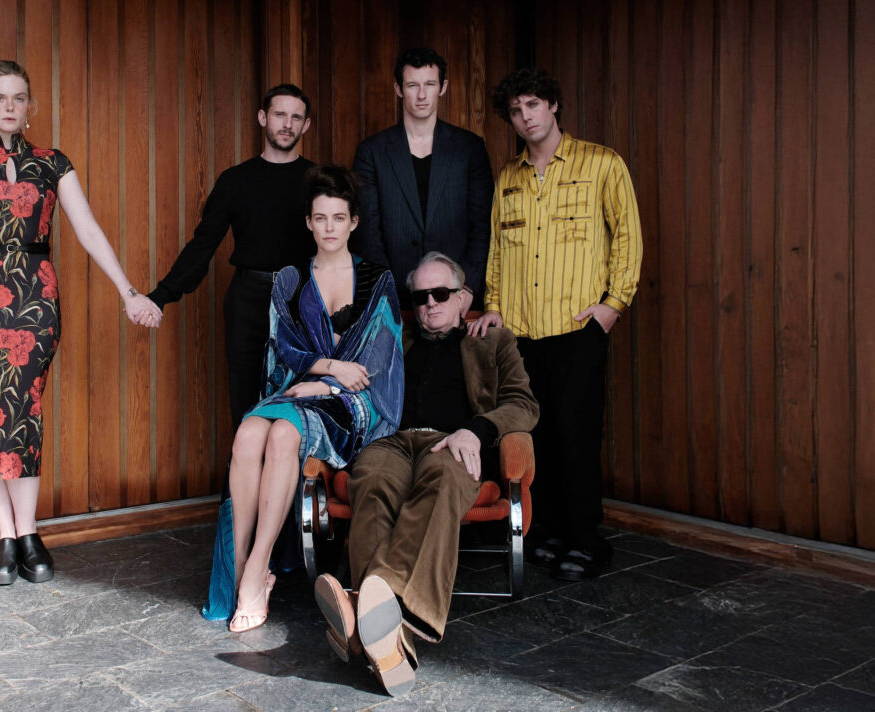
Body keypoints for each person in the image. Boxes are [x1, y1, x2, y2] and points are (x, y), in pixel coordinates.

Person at [0, 60, 161, 587]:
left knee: (25, 410)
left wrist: (129, 291)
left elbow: (88, 230)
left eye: (18, 98)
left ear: (29, 106)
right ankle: (5, 539)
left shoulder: (53, 163)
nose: (10, 106)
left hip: (36, 300)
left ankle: (30, 530)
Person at [314, 252, 538, 696]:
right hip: (393, 441)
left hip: (453, 441)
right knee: (371, 479)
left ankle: (365, 613)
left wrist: (476, 430)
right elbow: (351, 376)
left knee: (443, 479)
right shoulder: (393, 337)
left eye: (441, 294)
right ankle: (392, 636)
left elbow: (523, 404)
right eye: (420, 297)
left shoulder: (493, 341)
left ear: (463, 298)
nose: (430, 304)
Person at [203, 165, 404, 633]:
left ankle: (257, 570)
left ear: (354, 221)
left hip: (355, 406)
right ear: (309, 223)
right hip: (297, 389)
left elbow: (379, 364)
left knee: (283, 435)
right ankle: (236, 572)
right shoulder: (290, 279)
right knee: (251, 431)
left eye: (339, 218)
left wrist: (328, 384)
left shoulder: (377, 279)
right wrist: (329, 369)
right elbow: (284, 350)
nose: (330, 228)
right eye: (321, 218)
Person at [469, 68, 643, 581]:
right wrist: (494, 303)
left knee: (576, 434)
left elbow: (628, 238)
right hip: (521, 331)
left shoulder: (602, 164)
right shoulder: (509, 177)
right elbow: (498, 250)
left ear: (554, 105)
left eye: (533, 105)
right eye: (517, 111)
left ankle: (587, 540)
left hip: (576, 328)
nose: (526, 118)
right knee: (533, 434)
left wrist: (613, 305)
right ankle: (546, 530)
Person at [147, 84, 316, 430]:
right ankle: (242, 485)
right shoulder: (235, 181)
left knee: (302, 399)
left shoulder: (319, 181)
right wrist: (162, 296)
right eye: (280, 115)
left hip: (304, 299)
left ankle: (294, 484)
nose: (287, 124)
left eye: (295, 117)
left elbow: (343, 245)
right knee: (246, 400)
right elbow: (203, 245)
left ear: (306, 125)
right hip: (248, 300)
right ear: (262, 118)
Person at [352, 47, 493, 309]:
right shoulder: (371, 151)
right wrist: (386, 293)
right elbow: (367, 230)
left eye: (429, 84)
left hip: (456, 297)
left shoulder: (469, 147)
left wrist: (468, 286)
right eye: (412, 85)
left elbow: (482, 224)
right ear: (398, 89)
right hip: (393, 301)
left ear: (443, 87)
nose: (421, 95)